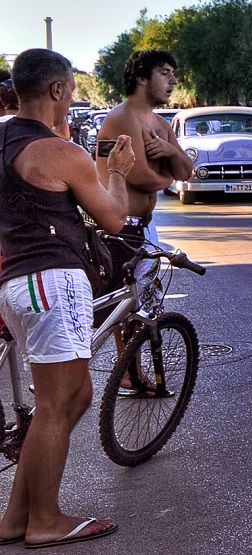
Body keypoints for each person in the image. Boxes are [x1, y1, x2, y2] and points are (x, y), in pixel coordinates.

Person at [0, 48, 136, 548]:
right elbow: (115, 219)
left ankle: (18, 515)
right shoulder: (60, 152)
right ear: (57, 90)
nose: (72, 94)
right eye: (71, 87)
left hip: (17, 282)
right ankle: (46, 520)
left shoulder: (3, 139)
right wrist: (116, 170)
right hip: (51, 279)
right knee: (61, 401)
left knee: (71, 396)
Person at [95, 51, 193, 286]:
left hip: (145, 227)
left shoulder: (159, 123)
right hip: (119, 232)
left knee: (146, 310)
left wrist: (170, 151)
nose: (173, 81)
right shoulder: (123, 117)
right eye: (164, 73)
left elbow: (186, 172)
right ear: (141, 78)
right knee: (115, 308)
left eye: (173, 73)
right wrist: (168, 177)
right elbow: (140, 176)